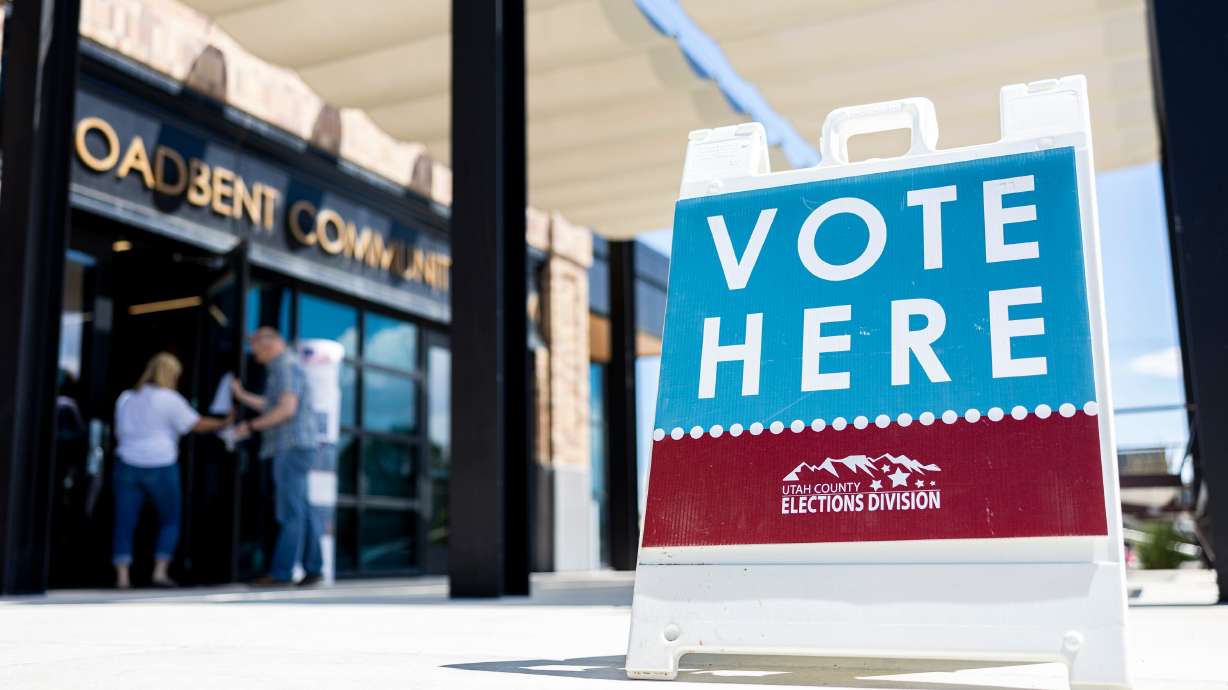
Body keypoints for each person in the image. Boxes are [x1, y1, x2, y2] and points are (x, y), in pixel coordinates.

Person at [112, 352, 230, 589]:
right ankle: (159, 572)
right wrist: (225, 422)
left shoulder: (126, 398)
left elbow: (119, 431)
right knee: (170, 520)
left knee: (124, 522)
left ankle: (122, 577)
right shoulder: (169, 399)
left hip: (127, 463)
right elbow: (195, 424)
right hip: (160, 464)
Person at [231, 327, 323, 587]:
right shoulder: (287, 366)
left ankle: (281, 573)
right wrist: (242, 396)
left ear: (268, 344)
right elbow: (272, 404)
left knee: (290, 512)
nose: (254, 354)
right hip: (298, 446)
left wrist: (250, 427)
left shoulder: (285, 366)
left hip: (290, 446)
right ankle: (313, 568)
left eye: (256, 348)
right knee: (303, 511)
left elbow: (286, 410)